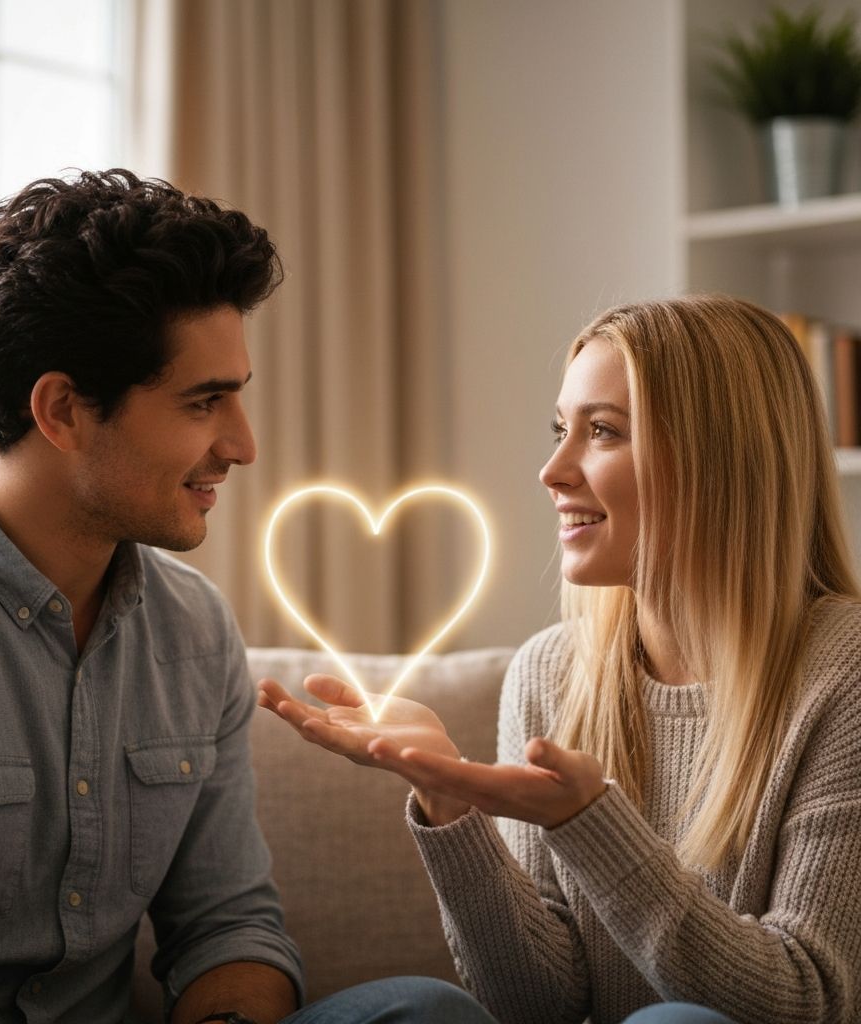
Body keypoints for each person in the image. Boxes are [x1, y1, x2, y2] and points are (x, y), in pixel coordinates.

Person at [0, 169, 495, 1024]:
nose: (243, 445)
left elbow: (228, 929)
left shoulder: (191, 628)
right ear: (64, 410)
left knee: (423, 1011)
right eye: (203, 402)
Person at [260, 294, 861, 1024]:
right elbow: (532, 1006)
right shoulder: (550, 672)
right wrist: (450, 806)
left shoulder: (845, 670)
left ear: (720, 458)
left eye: (602, 431)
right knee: (419, 1007)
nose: (553, 470)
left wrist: (591, 821)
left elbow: (808, 1001)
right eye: (560, 430)